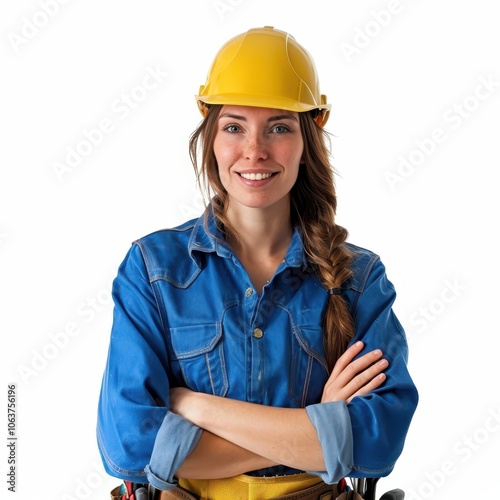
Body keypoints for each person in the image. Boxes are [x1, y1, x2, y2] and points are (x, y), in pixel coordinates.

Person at [97, 26, 418, 500]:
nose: (255, 150)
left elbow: (378, 442)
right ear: (210, 134)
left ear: (309, 135)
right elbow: (129, 446)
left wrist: (195, 407)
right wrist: (315, 433)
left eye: (279, 127)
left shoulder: (359, 279)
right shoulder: (153, 270)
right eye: (234, 126)